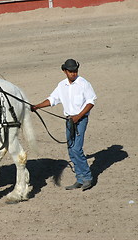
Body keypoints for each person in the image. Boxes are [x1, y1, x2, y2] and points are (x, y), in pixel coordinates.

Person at [31, 59, 97, 191]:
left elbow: (91, 101)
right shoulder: (61, 85)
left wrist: (78, 116)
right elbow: (53, 99)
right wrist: (37, 106)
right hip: (69, 120)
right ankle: (80, 179)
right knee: (71, 149)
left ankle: (87, 178)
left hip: (81, 119)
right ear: (65, 71)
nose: (73, 73)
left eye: (75, 71)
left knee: (77, 149)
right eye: (71, 71)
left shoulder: (84, 83)